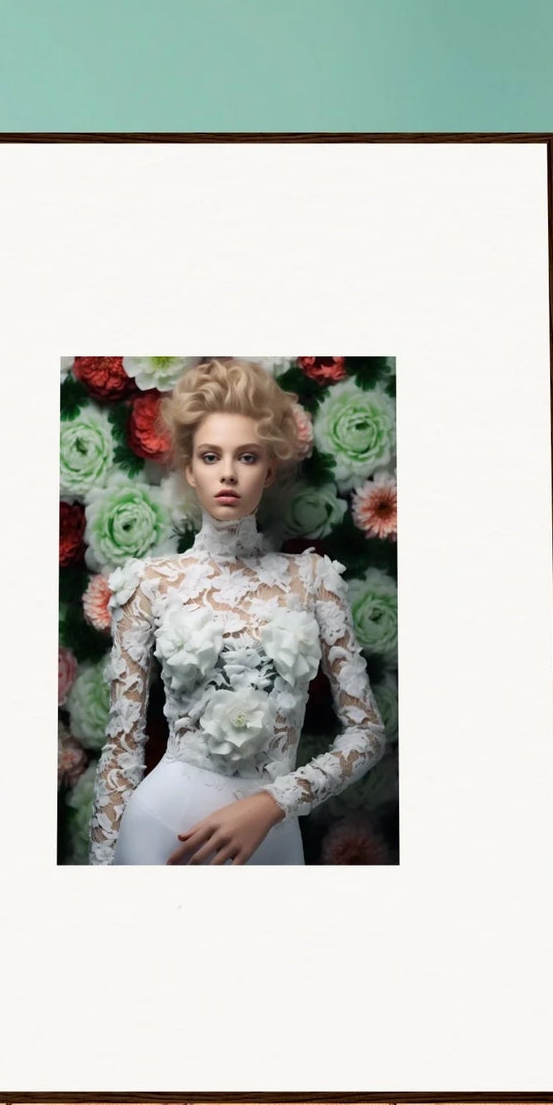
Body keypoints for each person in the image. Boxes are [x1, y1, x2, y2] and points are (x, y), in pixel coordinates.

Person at [88, 358, 387, 866]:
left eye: (246, 457)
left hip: (270, 835)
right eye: (210, 456)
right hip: (160, 828)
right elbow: (121, 751)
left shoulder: (314, 580)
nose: (228, 472)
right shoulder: (149, 583)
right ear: (189, 468)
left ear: (269, 469)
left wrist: (274, 802)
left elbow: (367, 734)